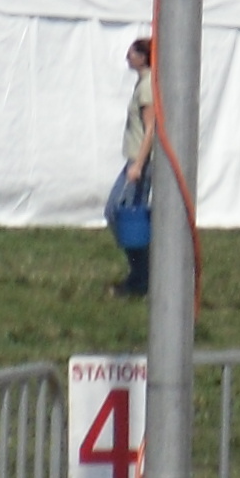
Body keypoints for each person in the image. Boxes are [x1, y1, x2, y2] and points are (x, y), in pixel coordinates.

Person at [105, 35, 156, 299]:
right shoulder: (143, 84)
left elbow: (150, 129)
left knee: (124, 216)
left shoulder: (147, 87)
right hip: (135, 161)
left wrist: (138, 165)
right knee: (122, 215)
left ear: (143, 57)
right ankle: (140, 275)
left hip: (139, 163)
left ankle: (142, 277)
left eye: (132, 53)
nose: (128, 57)